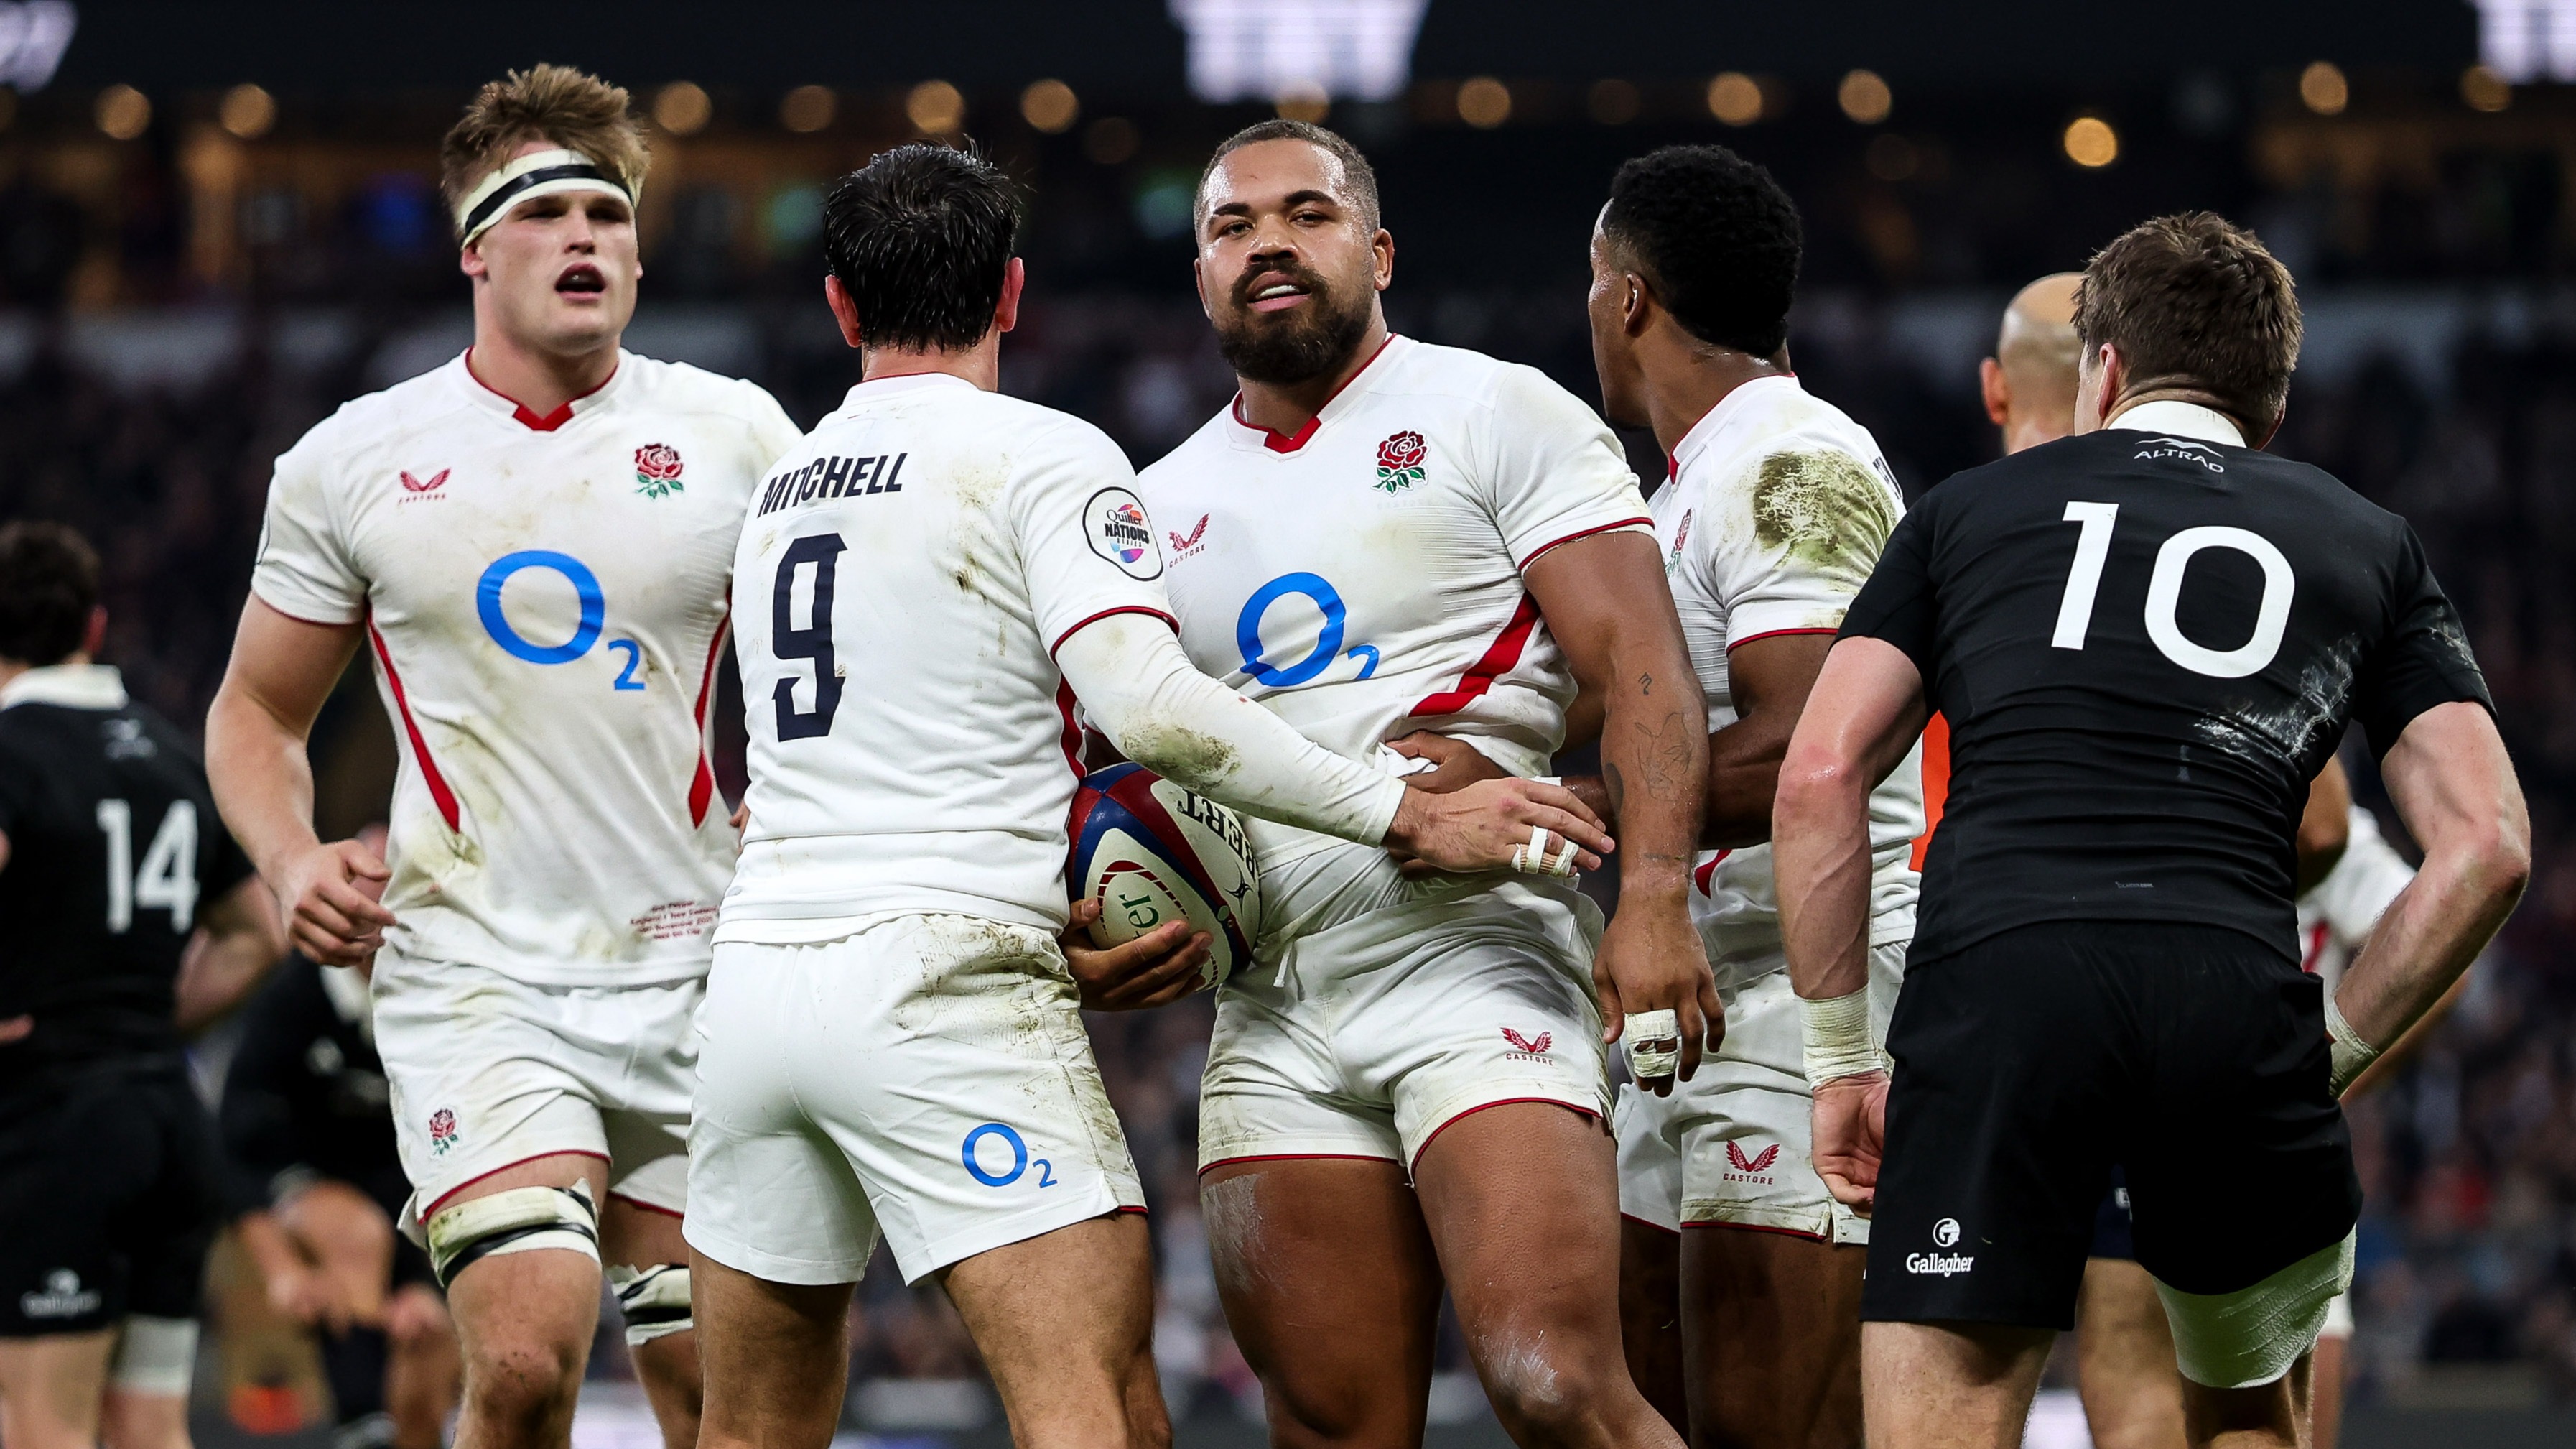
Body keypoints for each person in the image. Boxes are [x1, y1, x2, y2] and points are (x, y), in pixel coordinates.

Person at [684, 143, 1606, 1449]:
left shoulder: (776, 492)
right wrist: (1404, 812)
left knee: (747, 1430)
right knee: (1099, 1413)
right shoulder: (1043, 453)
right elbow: (1152, 705)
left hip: (754, 991)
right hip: (937, 981)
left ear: (839, 307)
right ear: (1012, 291)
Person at [1775, 211, 2529, 1449]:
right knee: (2239, 1420)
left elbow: (1818, 773)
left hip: (1997, 991)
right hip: (2227, 998)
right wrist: (2328, 1049)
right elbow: (2488, 843)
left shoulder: (1965, 513)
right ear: (2270, 409)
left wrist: (1838, 1059)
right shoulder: (2366, 542)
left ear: (2104, 369)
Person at [1077, 120, 1708, 1449]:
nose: (1267, 244)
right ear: (1199, 275)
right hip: (1270, 1002)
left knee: (1553, 1383)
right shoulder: (1147, 504)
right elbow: (1109, 779)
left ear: (1376, 251)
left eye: (1305, 215)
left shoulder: (1497, 409)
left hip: (1473, 953)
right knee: (1330, 1427)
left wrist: (1654, 897)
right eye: (1232, 226)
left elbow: (1644, 662)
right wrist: (1092, 926)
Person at [205, 65, 802, 1449]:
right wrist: (289, 860)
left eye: (610, 212)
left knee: (715, 1390)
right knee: (527, 1359)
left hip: (702, 966)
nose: (583, 235)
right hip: (475, 971)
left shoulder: (741, 436)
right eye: (544, 211)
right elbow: (255, 714)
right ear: (476, 248)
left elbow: (840, 670)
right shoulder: (354, 460)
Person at [1567, 144, 1923, 1448]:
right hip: (1705, 990)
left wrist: (1564, 804)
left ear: (1627, 298)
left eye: (1592, 282)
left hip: (1812, 998)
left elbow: (1807, 747)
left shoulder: (1790, 461)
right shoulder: (1689, 484)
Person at [1967, 272, 2356, 1449]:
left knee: (1933, 1383)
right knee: (2157, 1380)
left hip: (1968, 1009)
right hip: (2178, 999)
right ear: (2111, 373)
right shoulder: (2204, 540)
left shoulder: (1954, 535)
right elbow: (2322, 826)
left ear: (1996, 390)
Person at [0, 521, 286, 1449]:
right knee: (153, 1426)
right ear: (93, 627)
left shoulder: (11, 750)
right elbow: (258, 934)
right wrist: (147, 1023)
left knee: (43, 1426)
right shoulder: (170, 753)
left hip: (54, 1126)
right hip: (169, 1120)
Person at [216, 825, 460, 1449]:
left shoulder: (451, 1003)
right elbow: (237, 1144)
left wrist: (423, 1283)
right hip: (314, 1194)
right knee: (353, 1234)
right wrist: (281, 1267)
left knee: (431, 1340)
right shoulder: (291, 1003)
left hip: (421, 1198)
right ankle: (361, 1420)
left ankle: (410, 1426)